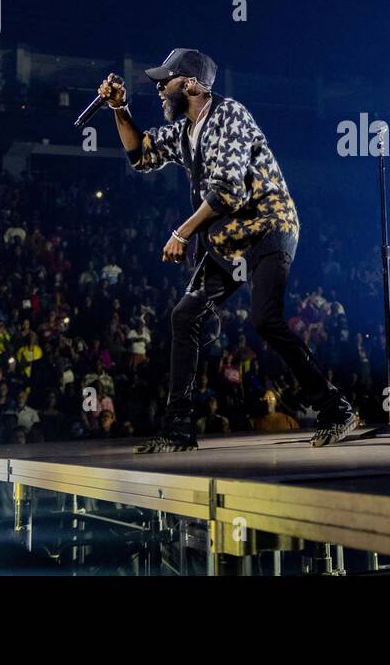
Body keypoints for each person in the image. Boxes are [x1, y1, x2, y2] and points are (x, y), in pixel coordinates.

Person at [98, 48, 357, 452]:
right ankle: (178, 429)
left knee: (265, 319)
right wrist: (120, 109)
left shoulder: (230, 115)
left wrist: (182, 233)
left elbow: (228, 191)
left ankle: (335, 408)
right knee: (185, 315)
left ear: (192, 84)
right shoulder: (186, 130)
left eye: (167, 81)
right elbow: (140, 155)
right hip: (229, 241)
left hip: (269, 226)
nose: (161, 89)